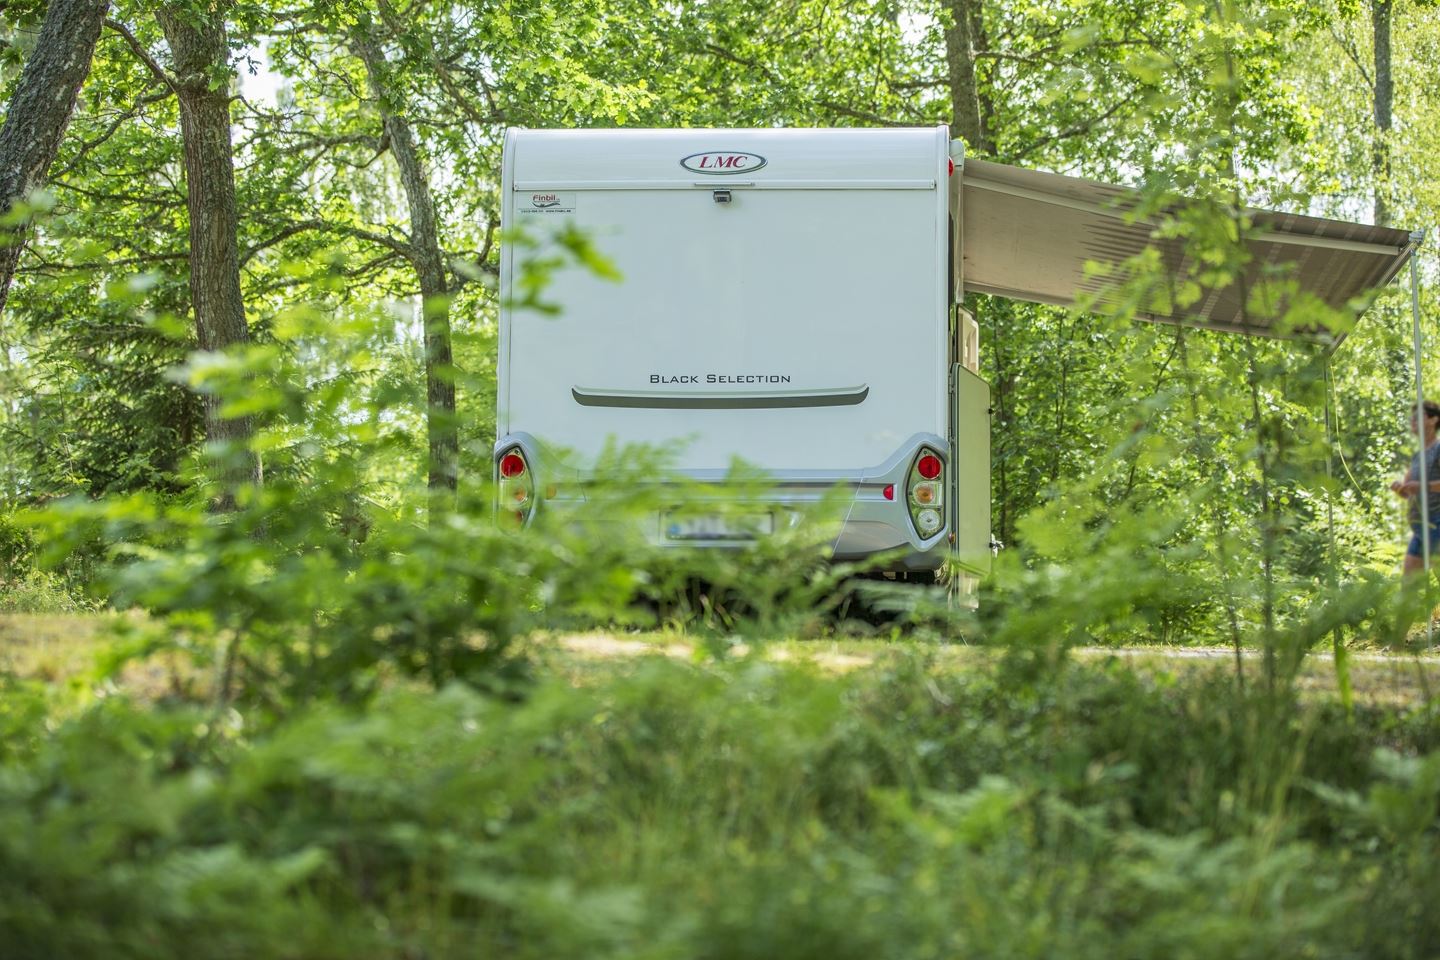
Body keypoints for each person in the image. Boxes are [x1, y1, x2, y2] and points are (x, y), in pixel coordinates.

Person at [1391, 400, 1440, 575]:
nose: (1413, 420)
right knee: (1409, 587)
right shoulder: (1418, 456)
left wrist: (1422, 487)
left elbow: (1421, 487)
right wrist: (1400, 488)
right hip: (1420, 528)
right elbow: (1407, 492)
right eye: (1412, 417)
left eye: (1418, 416)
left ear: (1434, 420)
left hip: (1436, 525)